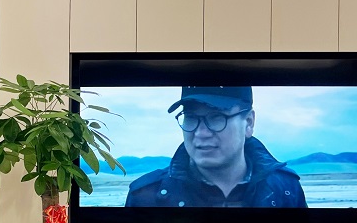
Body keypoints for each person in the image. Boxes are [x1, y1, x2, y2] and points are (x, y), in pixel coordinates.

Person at [125, 86, 307, 208]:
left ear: (249, 123)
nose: (201, 133)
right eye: (191, 118)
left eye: (217, 117)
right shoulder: (145, 197)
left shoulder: (286, 189)